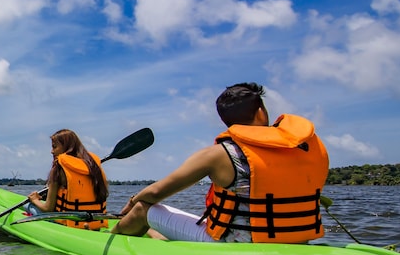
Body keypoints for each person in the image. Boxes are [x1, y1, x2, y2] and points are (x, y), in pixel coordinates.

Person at [113, 82, 329, 243]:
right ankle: (156, 236)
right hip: (299, 239)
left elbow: (155, 193)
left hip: (233, 244)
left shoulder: (217, 155)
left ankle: (111, 238)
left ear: (224, 119)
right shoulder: (307, 148)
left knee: (143, 208)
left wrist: (133, 201)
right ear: (261, 111)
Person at [26, 129, 109, 230]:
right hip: (94, 224)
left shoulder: (58, 169)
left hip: (67, 225)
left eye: (54, 147)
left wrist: (34, 200)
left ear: (66, 147)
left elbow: (48, 209)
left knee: (28, 205)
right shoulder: (94, 168)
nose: (52, 151)